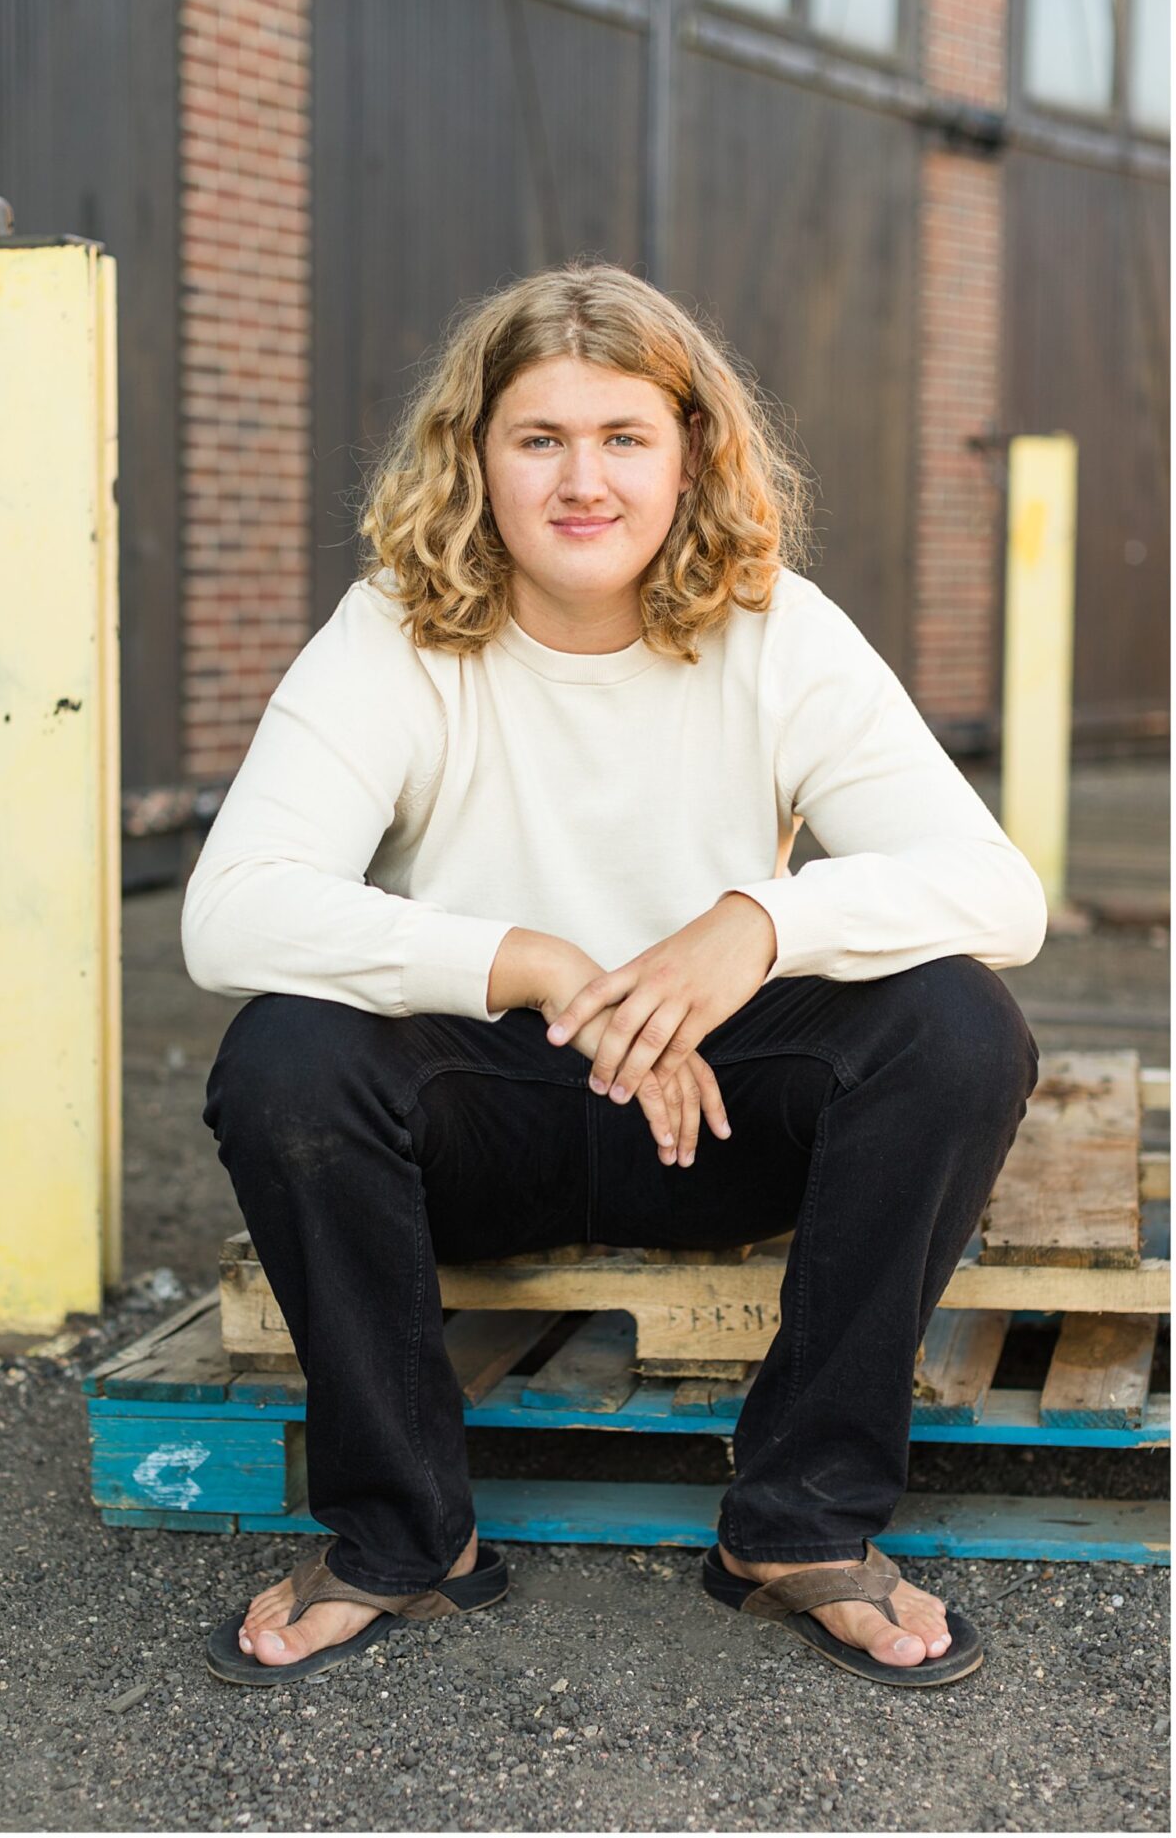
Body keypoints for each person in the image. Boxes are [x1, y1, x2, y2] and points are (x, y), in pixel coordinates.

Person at [185, 260, 1044, 1691]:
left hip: (718, 1120)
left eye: (623, 437)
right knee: (287, 1056)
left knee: (955, 1026)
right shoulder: (394, 630)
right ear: (476, 457)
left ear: (691, 451)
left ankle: (799, 1521)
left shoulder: (775, 629)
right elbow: (230, 914)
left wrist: (752, 928)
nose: (582, 481)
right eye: (539, 439)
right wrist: (525, 962)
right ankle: (402, 1536)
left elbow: (994, 891)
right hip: (481, 1124)